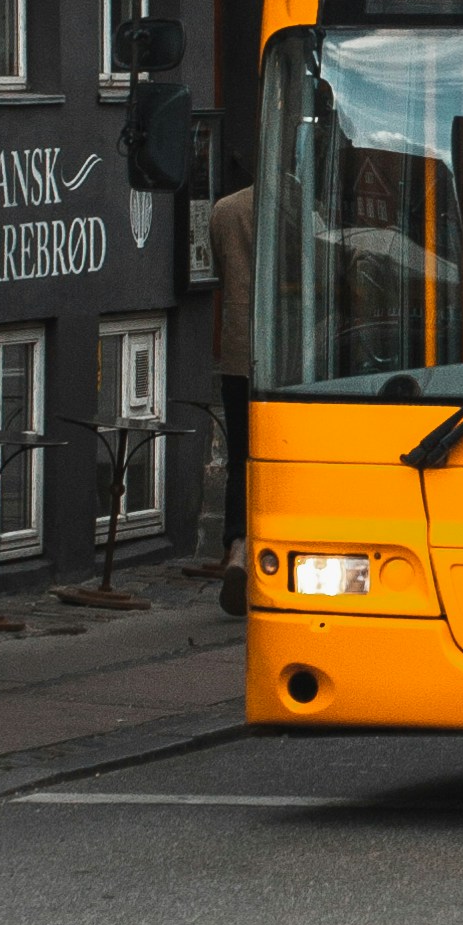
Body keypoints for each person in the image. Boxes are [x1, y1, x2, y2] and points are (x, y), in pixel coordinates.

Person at [208, 170, 256, 616]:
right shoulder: (302, 209)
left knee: (240, 456)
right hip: (286, 358)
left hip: (237, 354)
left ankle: (238, 549)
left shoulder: (225, 209)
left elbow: (221, 271)